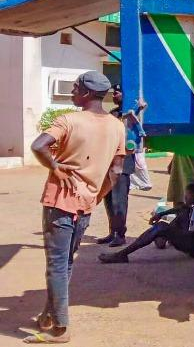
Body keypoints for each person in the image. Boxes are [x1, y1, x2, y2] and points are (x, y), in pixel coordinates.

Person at [26, 71, 126, 344]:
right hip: (86, 203)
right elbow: (116, 171)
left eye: (74, 88)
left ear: (85, 92)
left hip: (60, 201)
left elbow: (38, 145)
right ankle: (49, 315)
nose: (72, 93)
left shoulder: (68, 121)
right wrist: (96, 195)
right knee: (66, 262)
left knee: (56, 265)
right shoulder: (117, 126)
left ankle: (60, 328)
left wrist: (55, 166)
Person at [98, 180, 194, 263]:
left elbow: (192, 235)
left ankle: (122, 255)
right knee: (174, 220)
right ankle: (160, 236)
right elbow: (182, 208)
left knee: (162, 226)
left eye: (187, 196)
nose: (185, 198)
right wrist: (162, 214)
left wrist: (172, 233)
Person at [95, 85, 146, 247]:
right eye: (113, 92)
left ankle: (120, 234)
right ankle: (113, 232)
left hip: (123, 162)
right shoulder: (113, 114)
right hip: (108, 162)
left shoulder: (135, 113)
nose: (114, 95)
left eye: (117, 92)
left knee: (119, 200)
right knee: (108, 199)